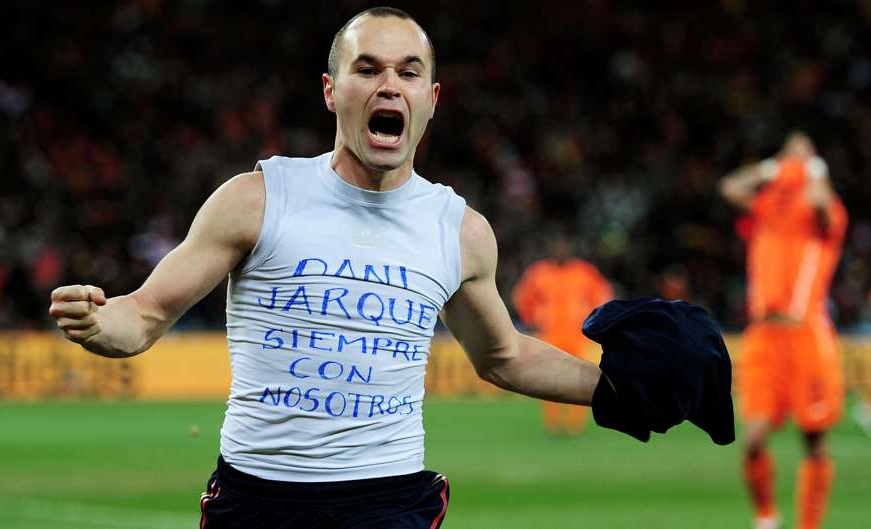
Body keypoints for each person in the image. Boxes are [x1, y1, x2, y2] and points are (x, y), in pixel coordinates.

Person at [49, 8, 729, 529]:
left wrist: (610, 388)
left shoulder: (459, 230)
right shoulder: (257, 198)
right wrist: (98, 319)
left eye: (408, 72)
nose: (389, 85)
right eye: (368, 68)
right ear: (331, 90)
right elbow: (143, 314)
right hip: (255, 500)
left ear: (433, 98)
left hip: (387, 501)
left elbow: (504, 355)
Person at [720, 132, 848, 529]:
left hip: (806, 334)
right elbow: (729, 187)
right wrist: (772, 166)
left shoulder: (824, 217)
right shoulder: (766, 208)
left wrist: (813, 166)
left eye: (801, 152)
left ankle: (808, 525)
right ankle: (766, 518)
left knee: (813, 441)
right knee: (753, 438)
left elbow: (823, 204)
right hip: (763, 337)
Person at [512, 230, 613, 435]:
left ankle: (576, 423)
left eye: (563, 247)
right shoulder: (539, 272)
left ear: (570, 250)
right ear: (550, 250)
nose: (560, 251)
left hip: (577, 335)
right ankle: (553, 422)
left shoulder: (584, 272)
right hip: (550, 335)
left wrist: (595, 322)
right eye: (556, 247)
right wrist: (532, 319)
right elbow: (522, 297)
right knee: (548, 378)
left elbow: (602, 296)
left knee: (579, 378)